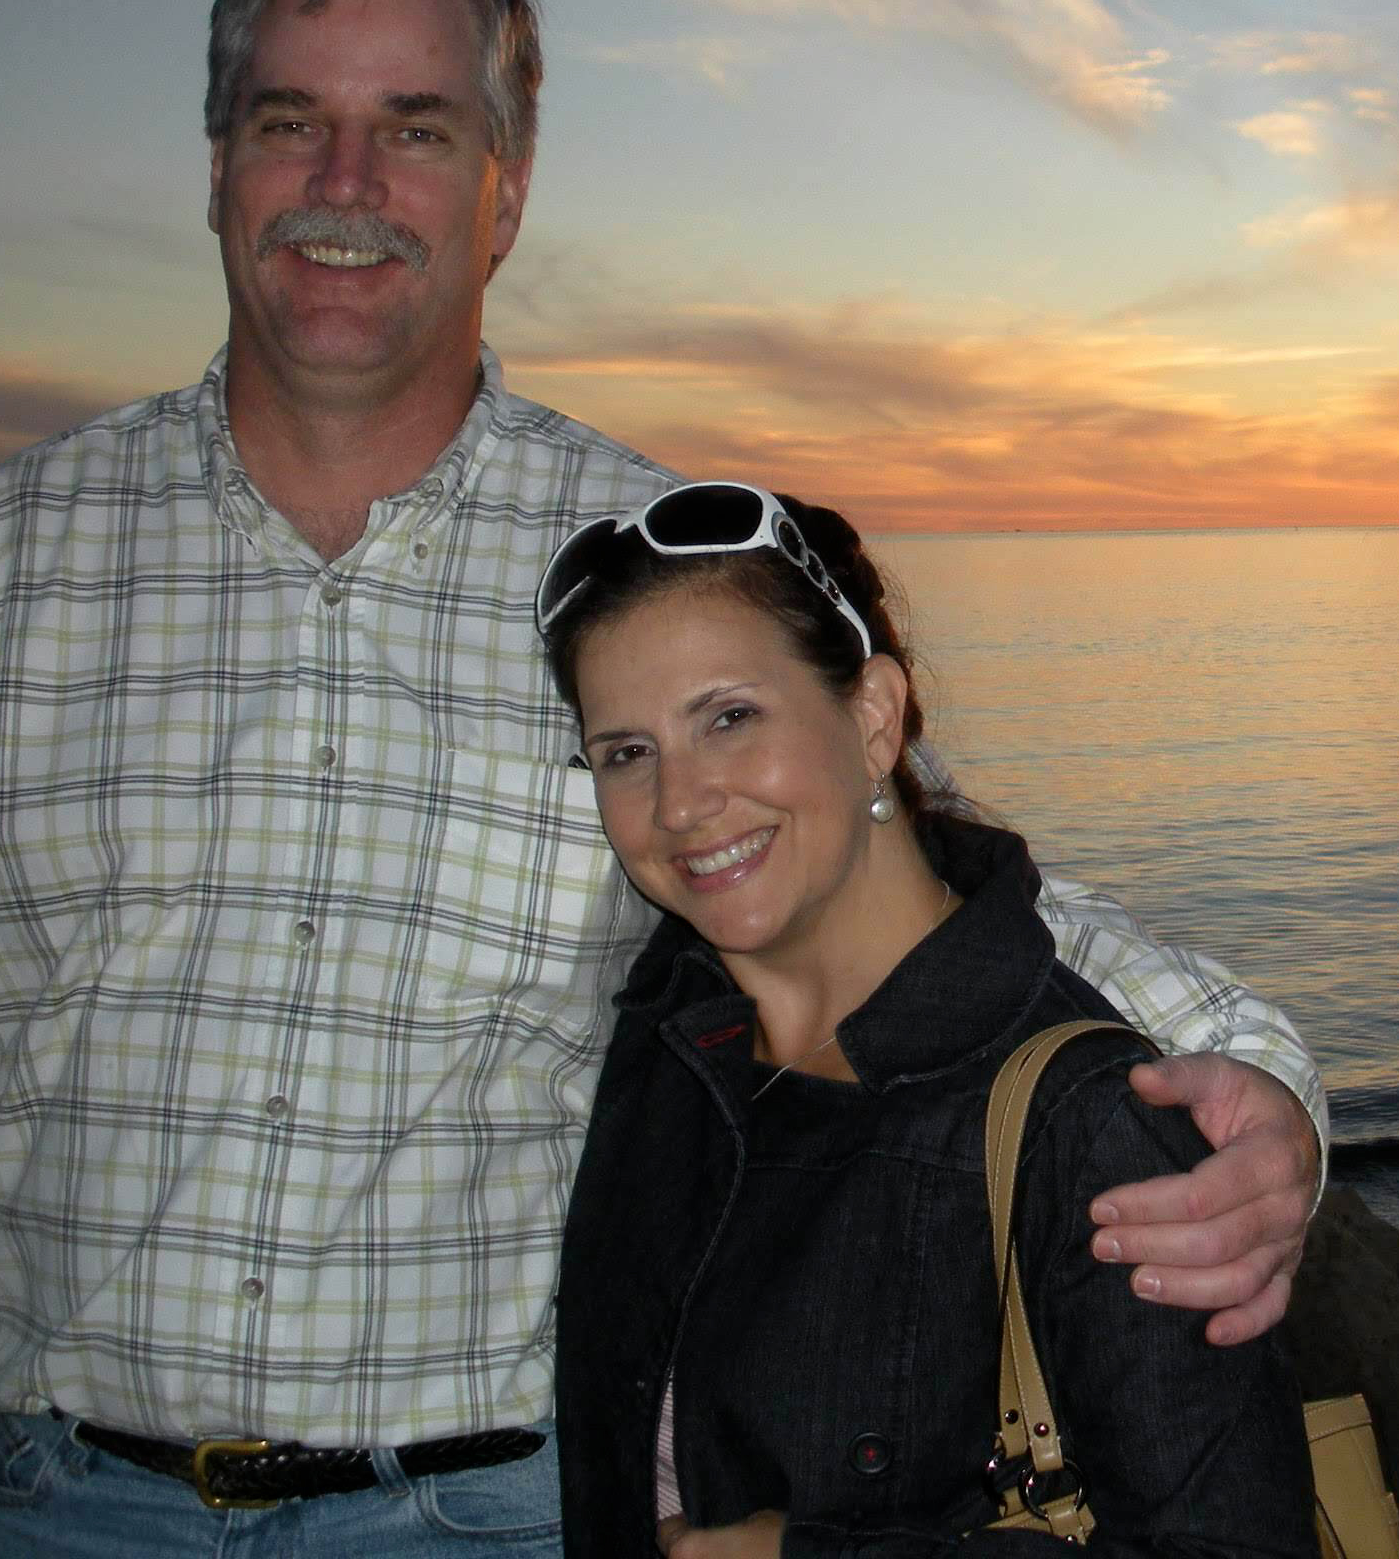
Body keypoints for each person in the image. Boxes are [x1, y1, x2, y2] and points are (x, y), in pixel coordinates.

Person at [0, 0, 1319, 1558]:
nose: (347, 177)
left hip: (493, 1512)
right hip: (55, 1498)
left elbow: (915, 880)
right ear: (219, 163)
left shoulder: (640, 568)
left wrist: (1262, 1096)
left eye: (418, 129)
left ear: (504, 193)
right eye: (290, 117)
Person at [539, 483, 1318, 1559]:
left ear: (872, 718)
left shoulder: (1083, 1124)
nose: (677, 804)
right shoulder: (670, 1038)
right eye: (627, 752)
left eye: (730, 718)